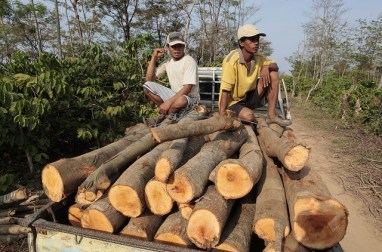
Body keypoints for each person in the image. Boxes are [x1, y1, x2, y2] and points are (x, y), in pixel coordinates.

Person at [218, 24, 291, 127]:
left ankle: (271, 116)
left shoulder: (258, 58)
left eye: (257, 39)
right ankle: (243, 115)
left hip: (249, 98)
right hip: (233, 103)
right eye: (252, 40)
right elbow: (225, 90)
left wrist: (266, 67)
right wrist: (222, 114)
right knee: (249, 116)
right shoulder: (231, 61)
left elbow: (275, 65)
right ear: (241, 42)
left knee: (273, 72)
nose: (256, 43)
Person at [143, 31, 200, 123]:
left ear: (184, 47)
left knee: (181, 100)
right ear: (168, 47)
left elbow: (188, 88)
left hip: (190, 99)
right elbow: (149, 79)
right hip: (175, 95)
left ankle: (165, 117)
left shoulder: (189, 61)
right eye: (174, 46)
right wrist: (154, 58)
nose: (177, 49)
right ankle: (168, 113)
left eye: (180, 46)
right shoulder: (168, 62)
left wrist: (167, 103)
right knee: (147, 86)